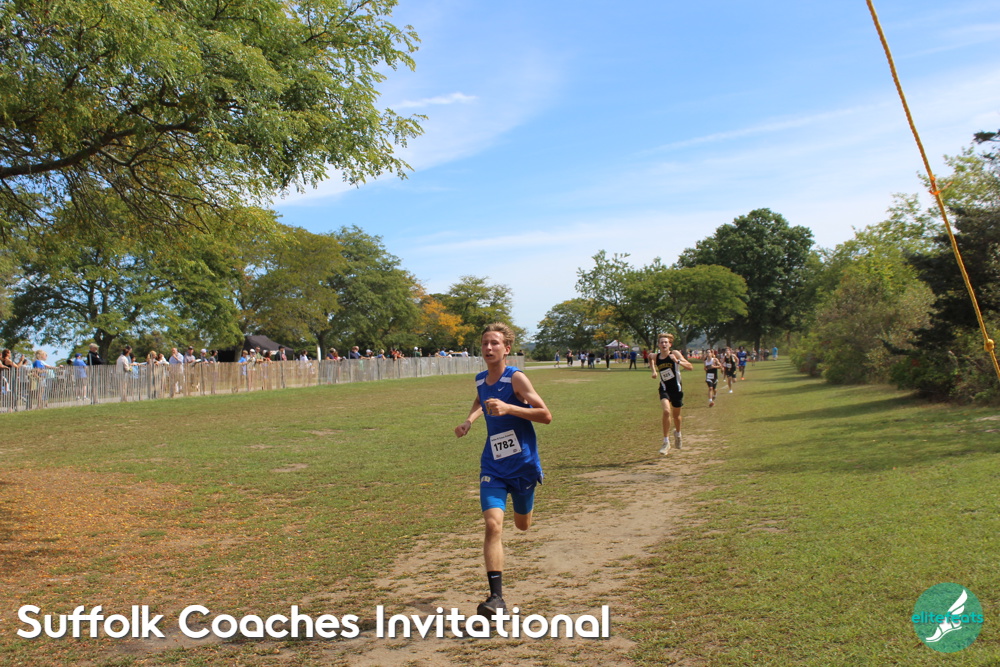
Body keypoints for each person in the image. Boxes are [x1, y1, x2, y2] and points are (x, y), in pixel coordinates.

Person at [454, 323, 552, 618]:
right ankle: (496, 598)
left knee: (522, 525)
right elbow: (480, 399)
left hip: (522, 465)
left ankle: (526, 504)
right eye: (485, 343)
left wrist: (510, 408)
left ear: (506, 348)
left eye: (494, 343)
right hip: (493, 465)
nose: (488, 348)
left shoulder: (516, 378)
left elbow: (545, 415)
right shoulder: (480, 379)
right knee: (493, 525)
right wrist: (470, 420)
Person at [649, 333, 693, 455]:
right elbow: (650, 357)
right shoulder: (656, 356)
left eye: (666, 342)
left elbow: (690, 367)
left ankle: (678, 434)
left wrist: (677, 361)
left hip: (677, 389)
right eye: (661, 342)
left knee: (676, 416)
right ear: (658, 345)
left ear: (670, 344)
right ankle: (666, 442)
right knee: (666, 411)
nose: (663, 344)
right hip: (664, 388)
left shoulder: (675, 354)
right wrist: (654, 371)